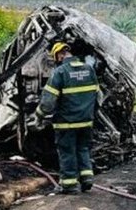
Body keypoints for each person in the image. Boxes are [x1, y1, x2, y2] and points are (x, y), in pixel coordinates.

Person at [32, 42, 98, 194]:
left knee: (67, 151)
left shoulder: (60, 72)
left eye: (56, 57)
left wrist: (39, 116)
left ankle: (69, 184)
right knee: (83, 149)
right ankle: (87, 179)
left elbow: (48, 101)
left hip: (66, 123)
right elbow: (97, 95)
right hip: (86, 121)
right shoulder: (89, 70)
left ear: (60, 55)